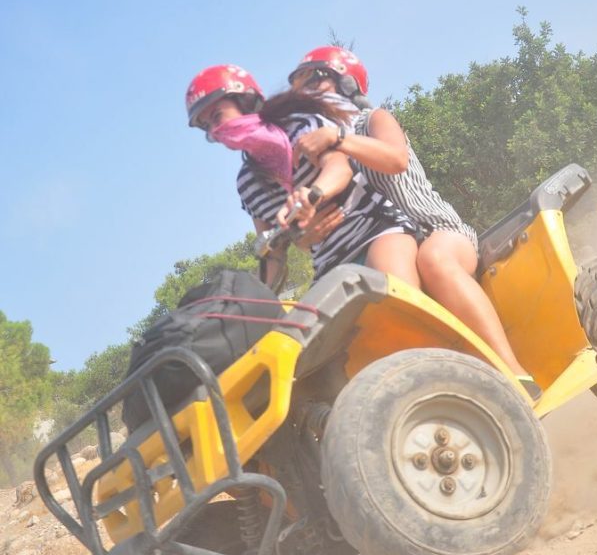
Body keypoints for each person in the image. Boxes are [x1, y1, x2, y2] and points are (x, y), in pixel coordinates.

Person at [287, 46, 541, 400]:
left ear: (344, 84)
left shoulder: (373, 120)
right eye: (297, 88)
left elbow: (395, 160)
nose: (302, 96)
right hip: (381, 247)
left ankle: (513, 375)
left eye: (311, 82)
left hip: (436, 231)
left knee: (433, 260)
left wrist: (340, 139)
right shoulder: (311, 153)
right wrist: (305, 232)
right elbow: (308, 224)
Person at [185, 64, 421, 292]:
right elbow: (273, 252)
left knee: (396, 293)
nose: (215, 130)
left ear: (245, 101)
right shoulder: (248, 184)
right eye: (207, 127)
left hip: (376, 230)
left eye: (217, 117)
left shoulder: (300, 126)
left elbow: (339, 168)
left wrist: (312, 195)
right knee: (305, 330)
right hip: (329, 265)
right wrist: (249, 295)